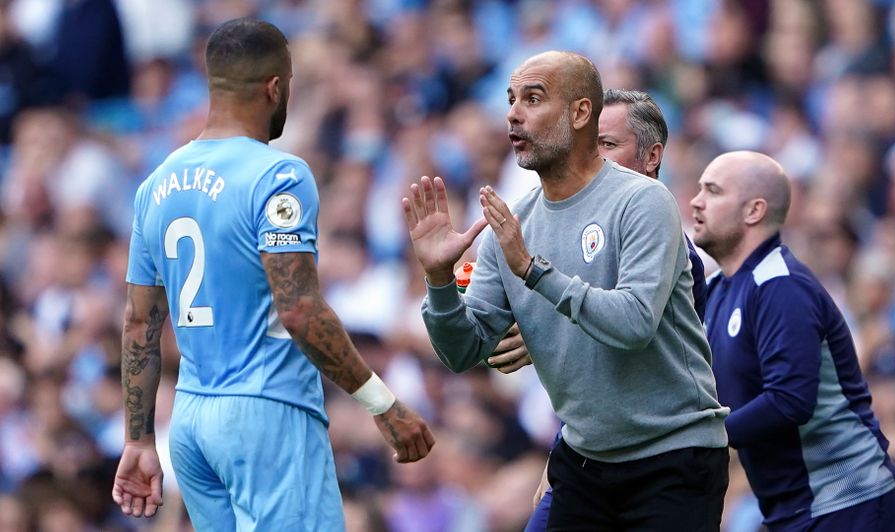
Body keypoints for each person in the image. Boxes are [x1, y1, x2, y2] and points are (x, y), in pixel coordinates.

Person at [110, 18, 434, 530]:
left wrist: (137, 439)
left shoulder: (157, 183)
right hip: (265, 413)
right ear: (276, 87)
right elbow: (300, 309)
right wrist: (383, 403)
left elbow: (138, 323)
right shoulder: (277, 175)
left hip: (191, 422)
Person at [404, 50, 729, 531]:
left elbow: (635, 324)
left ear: (581, 114)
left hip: (672, 456)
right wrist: (439, 280)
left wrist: (534, 270)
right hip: (585, 458)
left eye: (533, 99)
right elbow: (462, 351)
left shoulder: (643, 200)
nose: (513, 112)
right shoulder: (510, 226)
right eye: (511, 99)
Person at [488, 88, 710, 532]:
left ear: (652, 157)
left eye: (606, 145)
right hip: (586, 452)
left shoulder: (680, 256)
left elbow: (643, 351)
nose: (590, 158)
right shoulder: (558, 230)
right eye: (586, 145)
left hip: (662, 458)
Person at [691, 151, 895, 531]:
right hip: (796, 510)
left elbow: (790, 399)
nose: (696, 201)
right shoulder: (718, 290)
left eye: (712, 190)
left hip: (849, 502)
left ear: (754, 211)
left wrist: (701, 438)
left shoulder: (781, 286)